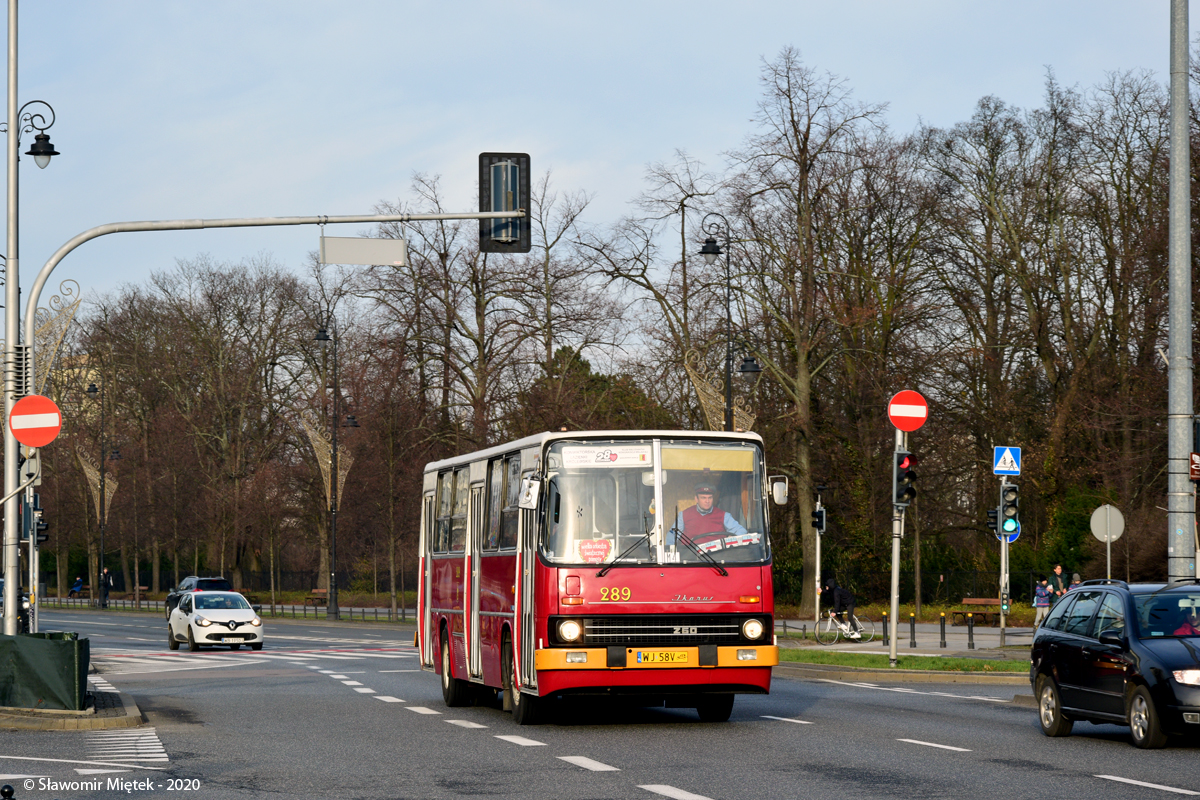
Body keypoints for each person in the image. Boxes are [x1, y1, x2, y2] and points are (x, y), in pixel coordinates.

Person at [671, 481, 748, 552]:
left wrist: (730, 539)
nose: (707, 501)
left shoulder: (724, 515)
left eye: (710, 498)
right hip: (691, 556)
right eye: (703, 498)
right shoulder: (684, 515)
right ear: (696, 499)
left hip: (717, 557)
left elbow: (742, 531)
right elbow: (672, 536)